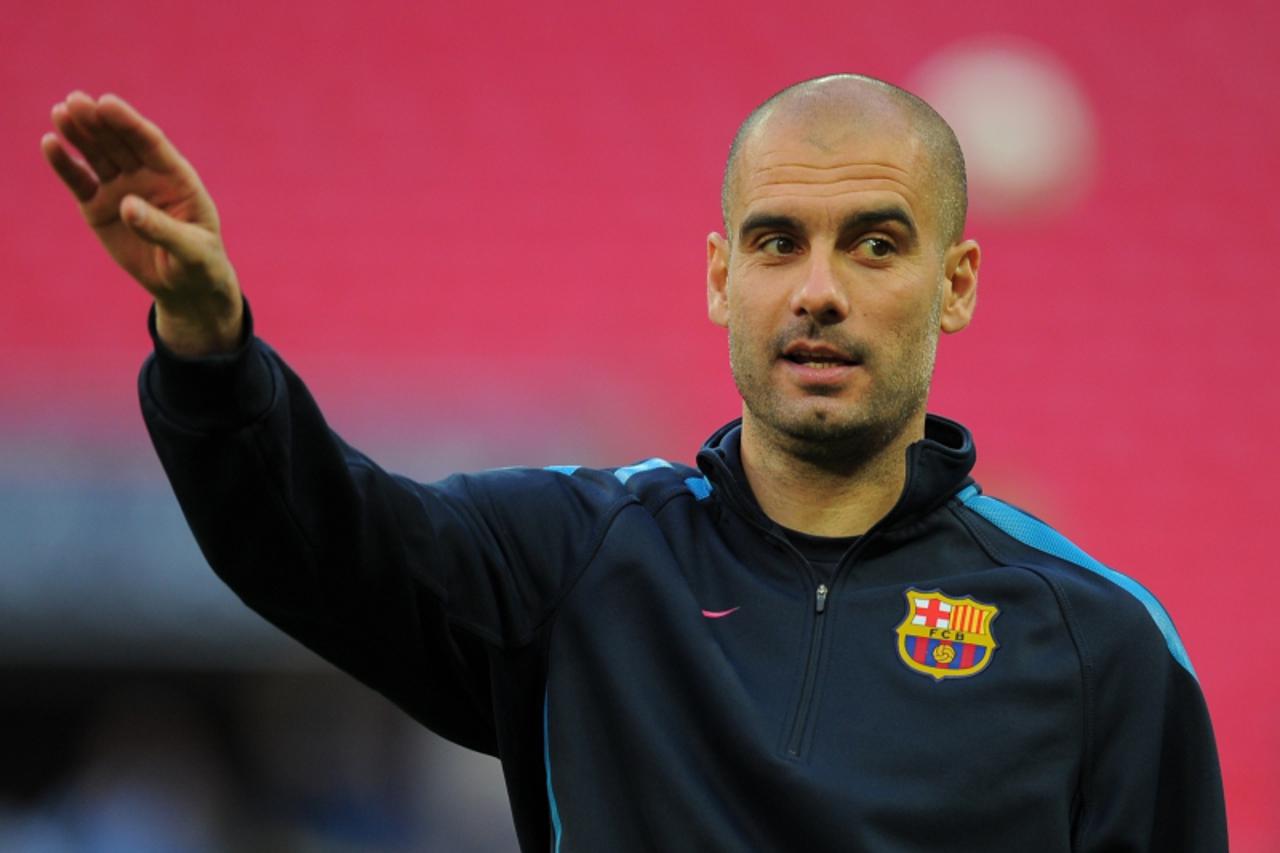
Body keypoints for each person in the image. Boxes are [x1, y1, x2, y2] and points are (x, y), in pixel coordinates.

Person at [43, 74, 1227, 852]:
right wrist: (208, 347)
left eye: (873, 242)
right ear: (721, 277)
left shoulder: (1098, 644)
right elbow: (308, 539)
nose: (817, 287)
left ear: (953, 285)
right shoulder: (575, 561)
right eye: (777, 242)